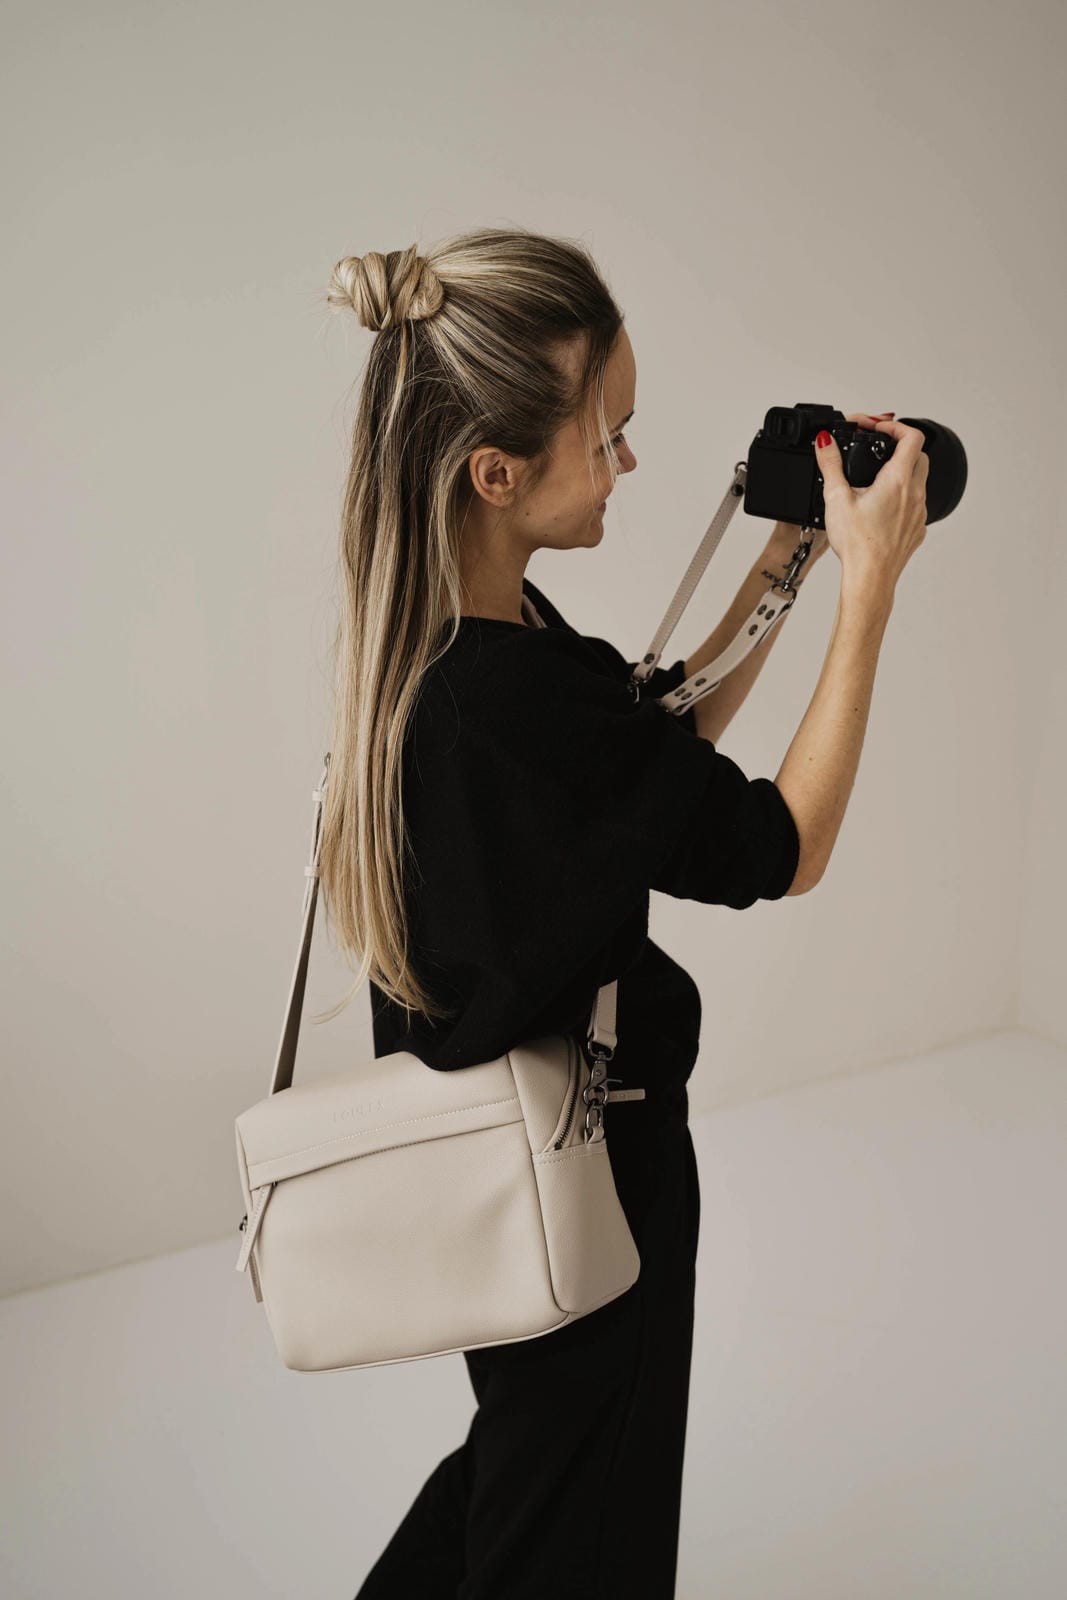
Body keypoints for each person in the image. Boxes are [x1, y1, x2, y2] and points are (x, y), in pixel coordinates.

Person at [313, 228, 928, 1599]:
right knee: (582, 1519)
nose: (631, 465)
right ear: (497, 472)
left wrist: (786, 559)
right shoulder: (510, 701)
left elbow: (648, 758)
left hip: (496, 1152)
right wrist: (871, 593)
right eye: (611, 435)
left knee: (532, 1455)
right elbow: (780, 844)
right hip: (586, 1160)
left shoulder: (452, 635)